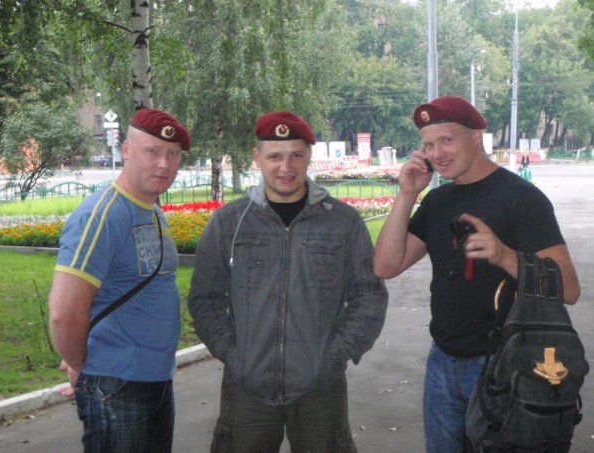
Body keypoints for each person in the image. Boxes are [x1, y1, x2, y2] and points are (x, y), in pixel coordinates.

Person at [373, 96, 580, 453]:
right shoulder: (437, 202)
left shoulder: (521, 199)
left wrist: (505, 256)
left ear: (475, 136)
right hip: (443, 361)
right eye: (428, 145)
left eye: (446, 140)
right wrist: (407, 194)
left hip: (506, 365)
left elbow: (570, 289)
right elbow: (386, 266)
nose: (437, 153)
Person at [187, 111, 388, 452]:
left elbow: (369, 295)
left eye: (296, 155)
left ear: (309, 155)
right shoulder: (228, 223)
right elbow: (204, 298)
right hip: (246, 393)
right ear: (257, 158)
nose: (286, 167)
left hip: (321, 392)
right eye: (274, 156)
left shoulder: (343, 222)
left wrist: (334, 356)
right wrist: (234, 355)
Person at [49, 107, 190, 453]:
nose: (164, 164)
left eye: (173, 154)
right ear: (126, 150)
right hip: (115, 386)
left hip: (155, 379)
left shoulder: (151, 209)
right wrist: (79, 365)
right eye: (153, 151)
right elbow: (64, 313)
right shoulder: (101, 216)